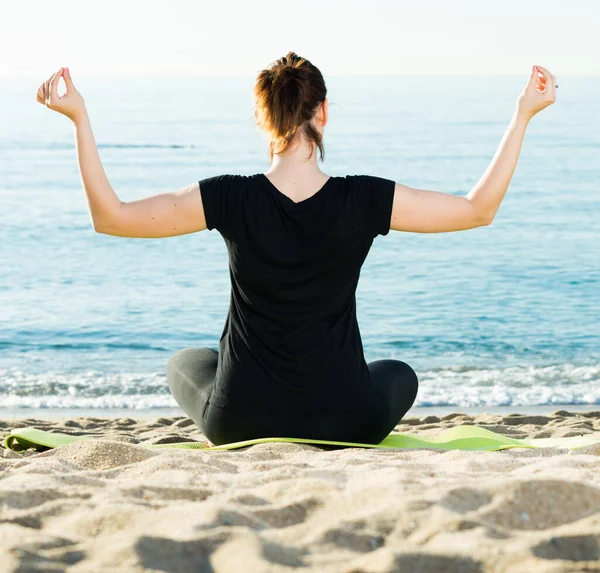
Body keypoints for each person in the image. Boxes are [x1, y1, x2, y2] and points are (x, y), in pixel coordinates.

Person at [37, 54, 557, 446]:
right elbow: (476, 209)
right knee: (398, 373)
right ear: (323, 113)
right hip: (346, 420)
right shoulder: (364, 198)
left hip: (239, 420)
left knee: (186, 362)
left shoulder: (229, 196)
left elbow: (112, 217)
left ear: (264, 119)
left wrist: (79, 120)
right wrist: (523, 117)